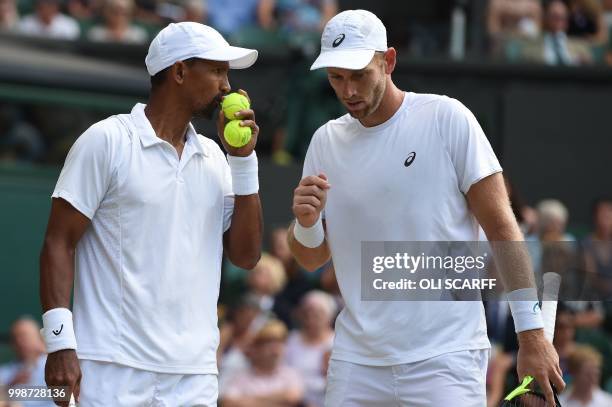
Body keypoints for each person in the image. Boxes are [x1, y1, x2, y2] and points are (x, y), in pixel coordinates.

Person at [287, 9, 565, 406]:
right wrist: (307, 223)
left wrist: (532, 335)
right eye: (336, 77)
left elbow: (503, 229)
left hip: (446, 359)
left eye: (359, 74)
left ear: (389, 61)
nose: (348, 90)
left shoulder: (447, 118)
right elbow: (312, 257)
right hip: (356, 364)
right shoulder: (324, 142)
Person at [39, 21, 262, 406]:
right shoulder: (106, 140)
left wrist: (243, 162)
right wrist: (60, 344)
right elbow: (59, 241)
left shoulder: (215, 157)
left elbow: (245, 256)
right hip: (111, 367)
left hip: (194, 375)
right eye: (217, 71)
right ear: (179, 72)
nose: (227, 86)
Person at [221, 319, 305, 407]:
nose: (275, 349)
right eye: (269, 343)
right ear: (255, 348)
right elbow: (228, 403)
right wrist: (279, 399)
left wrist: (249, 400)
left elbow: (292, 398)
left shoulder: (291, 374)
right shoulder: (240, 377)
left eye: (279, 343)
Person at [0, 318, 55, 407]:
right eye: (15, 338)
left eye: (24, 336)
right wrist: (11, 385)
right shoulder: (4, 372)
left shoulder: (56, 367)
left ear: (39, 339)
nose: (20, 342)